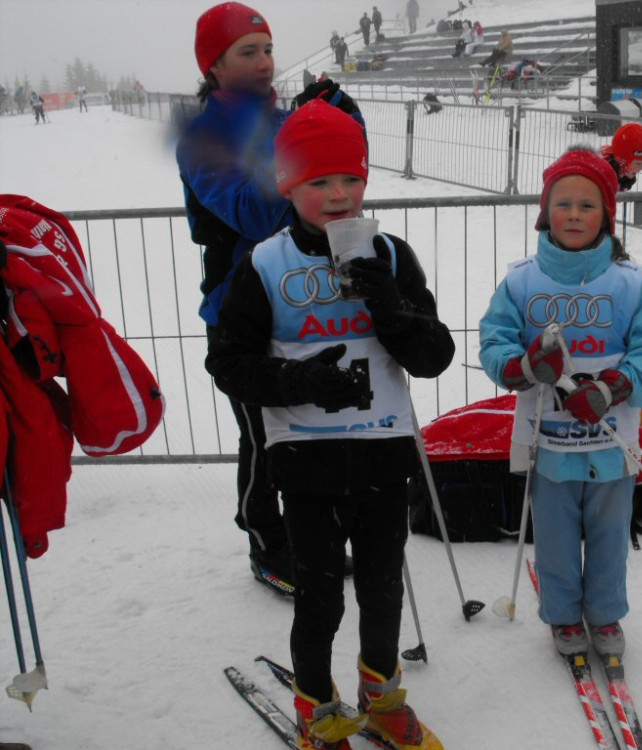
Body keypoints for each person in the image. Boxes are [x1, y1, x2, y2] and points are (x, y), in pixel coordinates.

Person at [205, 99, 453, 750]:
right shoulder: (264, 264)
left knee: (383, 593)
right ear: (288, 186)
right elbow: (227, 363)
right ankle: (317, 710)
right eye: (319, 181)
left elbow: (434, 357)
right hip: (306, 462)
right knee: (321, 599)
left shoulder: (391, 256)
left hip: (382, 458)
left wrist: (392, 308)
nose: (340, 195)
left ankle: (383, 700)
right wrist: (298, 381)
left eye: (351, 178)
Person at [175, 1, 365, 596]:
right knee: (262, 435)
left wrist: (341, 120)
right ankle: (266, 541)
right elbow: (254, 214)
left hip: (307, 294)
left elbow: (343, 179)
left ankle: (313, 531)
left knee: (312, 422)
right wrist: (297, 143)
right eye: (247, 52)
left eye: (267, 49)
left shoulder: (285, 119)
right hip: (242, 308)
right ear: (213, 66)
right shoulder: (206, 137)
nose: (263, 62)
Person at [478, 146, 642, 658]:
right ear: (545, 211)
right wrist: (521, 366)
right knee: (556, 535)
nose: (575, 215)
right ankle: (563, 613)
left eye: (588, 205)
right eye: (563, 204)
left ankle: (605, 613)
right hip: (549, 442)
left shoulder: (631, 284)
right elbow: (495, 339)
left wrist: (614, 387)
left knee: (609, 534)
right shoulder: (521, 281)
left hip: (610, 440)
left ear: (607, 214)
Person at [602, 123, 642, 191]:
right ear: (622, 160)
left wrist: (623, 183)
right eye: (639, 163)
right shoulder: (602, 177)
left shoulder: (623, 170)